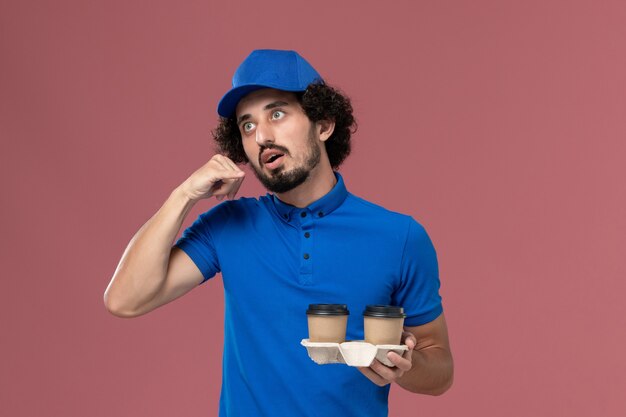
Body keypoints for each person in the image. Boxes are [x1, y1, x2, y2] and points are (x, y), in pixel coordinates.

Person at [104, 49, 453, 416]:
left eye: (277, 113)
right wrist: (184, 195)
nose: (262, 137)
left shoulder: (400, 237)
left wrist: (408, 367)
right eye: (247, 125)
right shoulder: (228, 225)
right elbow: (124, 299)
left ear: (323, 124)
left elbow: (440, 368)